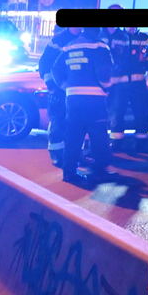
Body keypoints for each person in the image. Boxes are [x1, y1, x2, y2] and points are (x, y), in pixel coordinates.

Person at [57, 27, 114, 184]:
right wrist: (107, 88)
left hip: (73, 99)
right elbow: (104, 73)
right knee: (99, 134)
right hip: (94, 99)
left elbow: (56, 70)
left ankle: (69, 172)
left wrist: (67, 88)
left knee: (73, 136)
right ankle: (100, 171)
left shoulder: (70, 46)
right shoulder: (99, 46)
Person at [102, 8, 148, 152]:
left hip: (138, 84)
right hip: (120, 85)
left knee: (141, 113)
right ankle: (116, 142)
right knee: (117, 112)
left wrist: (146, 64)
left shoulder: (146, 38)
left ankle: (141, 142)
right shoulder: (119, 36)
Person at [38, 27, 76, 167]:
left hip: (76, 90)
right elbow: (44, 64)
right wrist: (51, 86)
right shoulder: (57, 41)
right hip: (59, 90)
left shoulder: (83, 39)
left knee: (76, 124)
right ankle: (57, 155)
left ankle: (75, 154)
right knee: (58, 122)